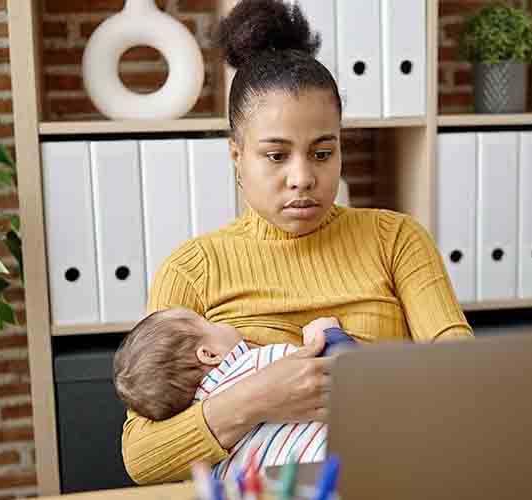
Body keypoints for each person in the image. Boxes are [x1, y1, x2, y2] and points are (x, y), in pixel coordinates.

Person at [121, 0, 473, 484]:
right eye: (276, 155)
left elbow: (467, 380)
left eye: (323, 152)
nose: (303, 178)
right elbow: (143, 458)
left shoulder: (397, 240)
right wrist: (261, 397)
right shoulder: (192, 269)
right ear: (237, 156)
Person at [113, 309, 345, 478]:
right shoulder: (258, 364)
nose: (220, 323)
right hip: (334, 474)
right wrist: (330, 334)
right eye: (208, 322)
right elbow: (345, 375)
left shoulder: (210, 460)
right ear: (210, 354)